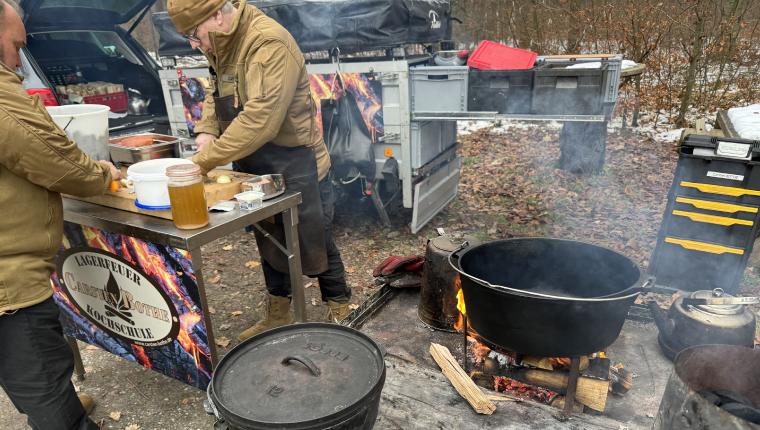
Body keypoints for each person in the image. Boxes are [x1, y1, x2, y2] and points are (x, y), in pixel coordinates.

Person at [167, 0, 352, 340]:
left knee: (316, 238)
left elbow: (261, 119)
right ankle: (279, 312)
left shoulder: (268, 42)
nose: (195, 44)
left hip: (298, 161)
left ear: (216, 15)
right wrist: (206, 130)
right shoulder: (222, 42)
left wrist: (201, 163)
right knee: (268, 237)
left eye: (194, 35)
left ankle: (340, 307)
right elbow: (216, 90)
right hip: (255, 163)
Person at [0, 1, 121, 428]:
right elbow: (59, 163)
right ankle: (59, 414)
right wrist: (101, 173)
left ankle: (50, 403)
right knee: (37, 361)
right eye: (16, 46)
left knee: (22, 369)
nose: (18, 59)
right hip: (6, 283)